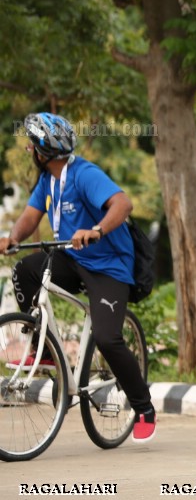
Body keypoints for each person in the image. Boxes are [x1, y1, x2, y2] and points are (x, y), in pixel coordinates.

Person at [0, 113, 156, 442]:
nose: (28, 150)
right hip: (72, 258)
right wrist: (12, 237)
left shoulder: (84, 174)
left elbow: (122, 204)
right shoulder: (47, 180)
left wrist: (96, 230)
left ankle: (144, 408)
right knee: (26, 269)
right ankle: (43, 350)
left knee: (108, 337)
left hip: (108, 265)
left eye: (32, 145)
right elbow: (30, 215)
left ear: (44, 152)